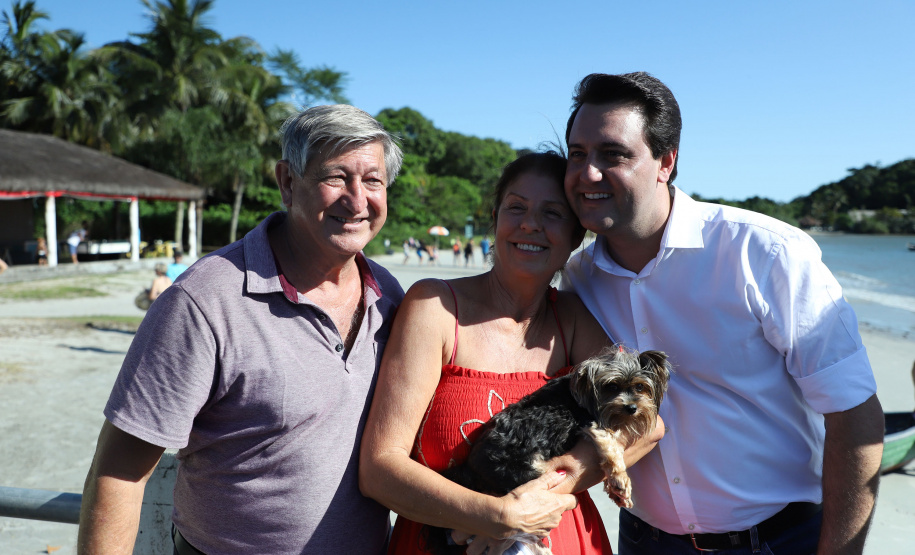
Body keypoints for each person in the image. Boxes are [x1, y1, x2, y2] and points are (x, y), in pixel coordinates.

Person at [560, 72, 884, 555]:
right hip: (644, 541)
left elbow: (854, 413)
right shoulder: (580, 278)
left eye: (614, 155)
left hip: (779, 539)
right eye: (578, 154)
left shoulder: (764, 253)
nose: (588, 173)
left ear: (666, 161)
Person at [77, 104, 404, 555]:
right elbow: (119, 470)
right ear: (288, 182)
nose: (356, 199)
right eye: (335, 177)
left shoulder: (387, 295)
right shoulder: (205, 301)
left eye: (373, 181)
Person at [360, 151, 664, 555]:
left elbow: (647, 424)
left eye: (553, 213)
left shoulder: (571, 319)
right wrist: (495, 516)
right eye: (516, 207)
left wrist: (541, 495)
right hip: (448, 543)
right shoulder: (436, 306)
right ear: (495, 218)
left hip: (558, 536)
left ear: (575, 236)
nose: (530, 224)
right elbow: (380, 468)